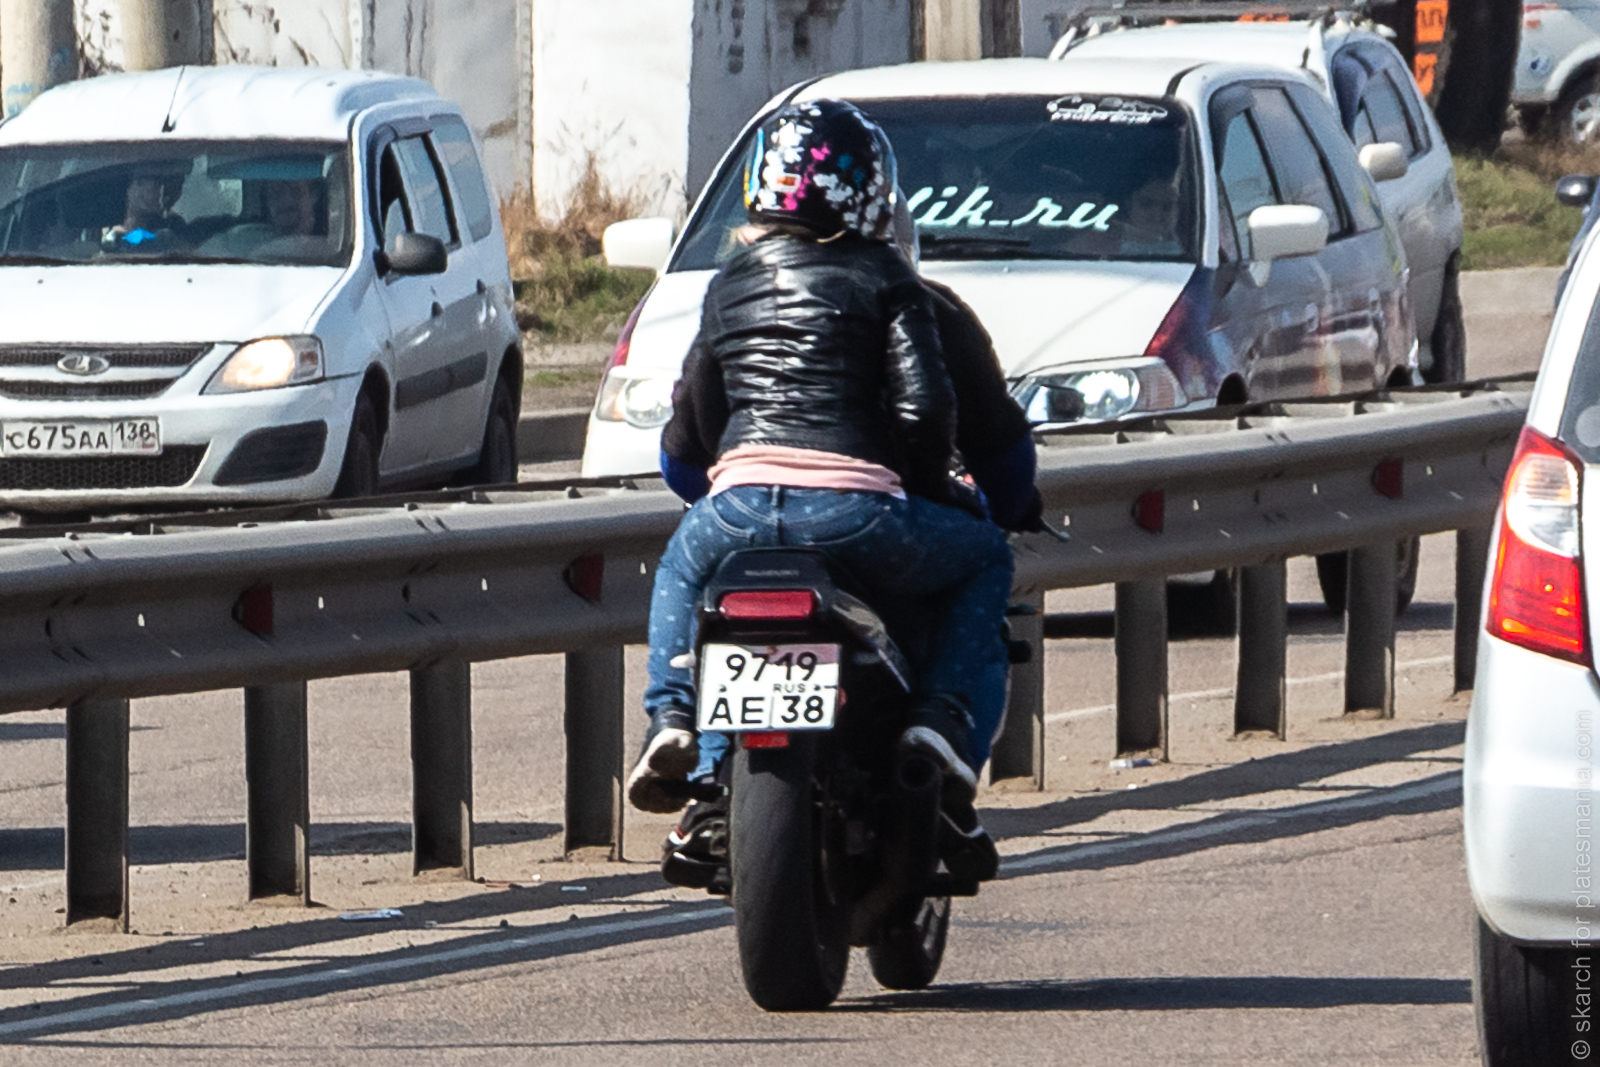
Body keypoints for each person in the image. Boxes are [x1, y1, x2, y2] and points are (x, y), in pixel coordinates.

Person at [627, 100, 1041, 847]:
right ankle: (940, 718)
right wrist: (937, 491)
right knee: (986, 556)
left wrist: (720, 491)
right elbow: (926, 409)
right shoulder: (893, 280)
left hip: (735, 509)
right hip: (857, 513)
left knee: (682, 569)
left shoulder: (728, 283)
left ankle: (675, 717)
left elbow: (686, 440)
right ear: (875, 192)